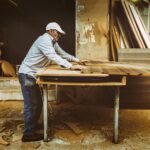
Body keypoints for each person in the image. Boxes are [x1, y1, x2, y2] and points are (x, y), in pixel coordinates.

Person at [18, 22, 85, 142]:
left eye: (59, 33)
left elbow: (62, 53)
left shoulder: (53, 42)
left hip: (32, 74)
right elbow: (53, 56)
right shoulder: (44, 40)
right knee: (32, 106)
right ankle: (28, 135)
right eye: (58, 33)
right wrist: (71, 67)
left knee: (37, 104)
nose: (59, 35)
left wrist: (77, 60)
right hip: (27, 74)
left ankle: (32, 126)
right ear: (51, 31)